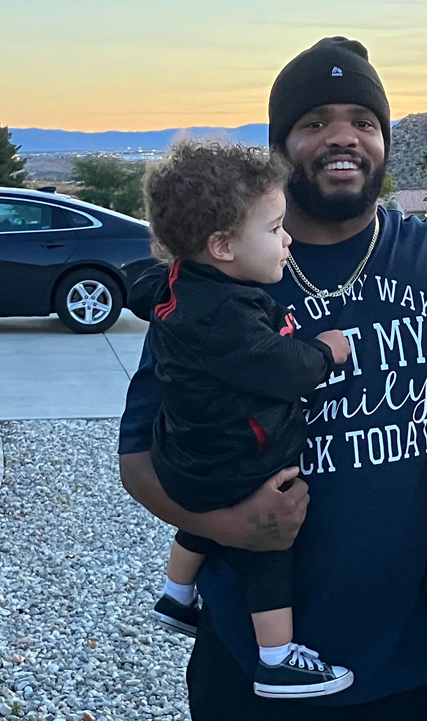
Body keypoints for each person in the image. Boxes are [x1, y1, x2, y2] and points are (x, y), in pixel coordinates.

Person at [117, 36, 427, 720]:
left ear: (384, 142)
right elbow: (138, 455)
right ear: (280, 145)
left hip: (413, 659)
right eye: (315, 122)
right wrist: (224, 522)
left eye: (364, 121)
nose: (342, 137)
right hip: (251, 664)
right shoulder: (210, 286)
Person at [129, 139, 355, 699]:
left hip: (185, 455)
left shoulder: (183, 282)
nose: (288, 239)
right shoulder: (227, 318)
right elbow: (285, 369)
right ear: (223, 245)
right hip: (233, 463)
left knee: (204, 503)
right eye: (276, 228)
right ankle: (276, 658)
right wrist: (328, 351)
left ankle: (177, 593)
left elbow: (141, 285)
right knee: (273, 539)